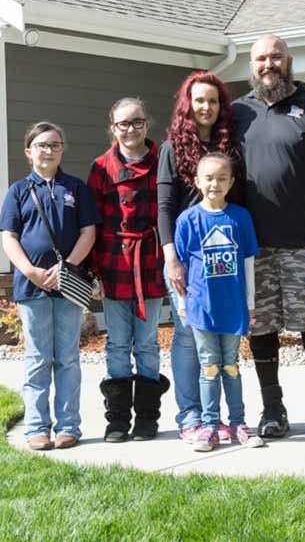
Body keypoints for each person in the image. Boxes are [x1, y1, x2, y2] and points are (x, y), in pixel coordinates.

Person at [233, 34, 305, 438]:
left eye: (276, 57)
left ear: (289, 61)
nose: (269, 64)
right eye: (262, 58)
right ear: (252, 65)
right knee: (261, 329)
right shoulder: (237, 114)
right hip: (254, 247)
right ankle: (272, 411)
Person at [0, 121, 99, 451]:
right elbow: (9, 237)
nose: (49, 150)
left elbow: (89, 232)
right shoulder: (18, 191)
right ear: (29, 152)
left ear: (61, 150)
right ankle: (37, 428)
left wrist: (66, 266)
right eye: (42, 145)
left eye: (55, 144)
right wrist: (29, 271)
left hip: (67, 285)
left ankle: (69, 426)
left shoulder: (76, 189)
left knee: (68, 357)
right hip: (32, 289)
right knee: (38, 358)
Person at [158, 71, 244, 445]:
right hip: (186, 258)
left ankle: (221, 418)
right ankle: (191, 416)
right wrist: (171, 259)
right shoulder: (172, 148)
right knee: (189, 336)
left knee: (220, 339)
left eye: (212, 100)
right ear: (187, 106)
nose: (206, 107)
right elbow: (163, 208)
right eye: (199, 101)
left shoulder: (231, 146)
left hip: (223, 255)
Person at [88, 98, 169, 443]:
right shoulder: (101, 166)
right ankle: (117, 420)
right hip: (113, 263)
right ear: (113, 128)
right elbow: (91, 222)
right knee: (117, 345)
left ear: (146, 124)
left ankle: (148, 419)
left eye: (137, 122)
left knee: (148, 344)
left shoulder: (163, 159)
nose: (131, 129)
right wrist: (92, 272)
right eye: (124, 123)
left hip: (150, 260)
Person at [173, 153, 264, 451]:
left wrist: (250, 303)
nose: (215, 183)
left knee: (231, 365)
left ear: (231, 182)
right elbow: (180, 269)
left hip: (233, 307)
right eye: (209, 178)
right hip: (201, 308)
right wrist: (182, 303)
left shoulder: (241, 217)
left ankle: (238, 423)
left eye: (221, 178)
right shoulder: (188, 219)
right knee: (209, 367)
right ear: (197, 181)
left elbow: (248, 262)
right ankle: (210, 426)